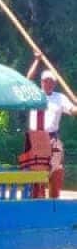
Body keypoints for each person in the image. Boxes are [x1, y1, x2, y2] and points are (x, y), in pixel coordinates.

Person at [29, 70, 77, 198]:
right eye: (45, 81)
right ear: (41, 82)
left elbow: (72, 110)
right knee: (38, 170)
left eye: (51, 81)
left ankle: (54, 199)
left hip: (53, 137)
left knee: (57, 169)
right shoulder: (34, 94)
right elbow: (26, 81)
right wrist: (36, 63)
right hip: (36, 138)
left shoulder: (60, 98)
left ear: (54, 83)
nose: (48, 84)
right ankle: (38, 198)